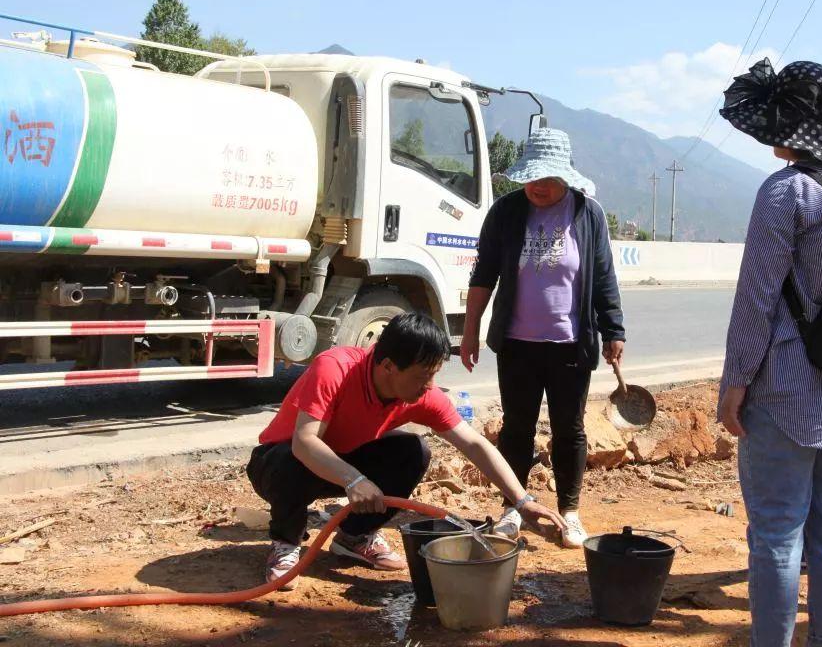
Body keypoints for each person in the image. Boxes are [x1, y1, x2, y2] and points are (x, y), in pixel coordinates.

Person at [716, 58, 822, 647]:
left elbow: (757, 297)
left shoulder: (786, 192)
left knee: (778, 534)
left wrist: (734, 383)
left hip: (785, 389)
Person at [247, 312, 566, 590]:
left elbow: (474, 443)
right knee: (291, 456)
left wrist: (522, 502)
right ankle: (286, 543)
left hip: (342, 465)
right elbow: (305, 442)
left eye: (434, 375)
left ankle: (354, 538)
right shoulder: (335, 369)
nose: (429, 386)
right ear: (388, 366)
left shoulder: (420, 393)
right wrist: (354, 479)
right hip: (277, 466)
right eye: (422, 376)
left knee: (413, 451)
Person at [460, 127, 625, 549]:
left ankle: (569, 510)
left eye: (547, 179)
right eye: (531, 178)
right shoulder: (506, 212)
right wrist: (471, 329)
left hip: (572, 344)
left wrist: (614, 330)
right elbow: (484, 274)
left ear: (565, 178)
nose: (537, 186)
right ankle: (513, 507)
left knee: (569, 430)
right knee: (517, 428)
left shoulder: (588, 214)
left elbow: (604, 277)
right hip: (517, 344)